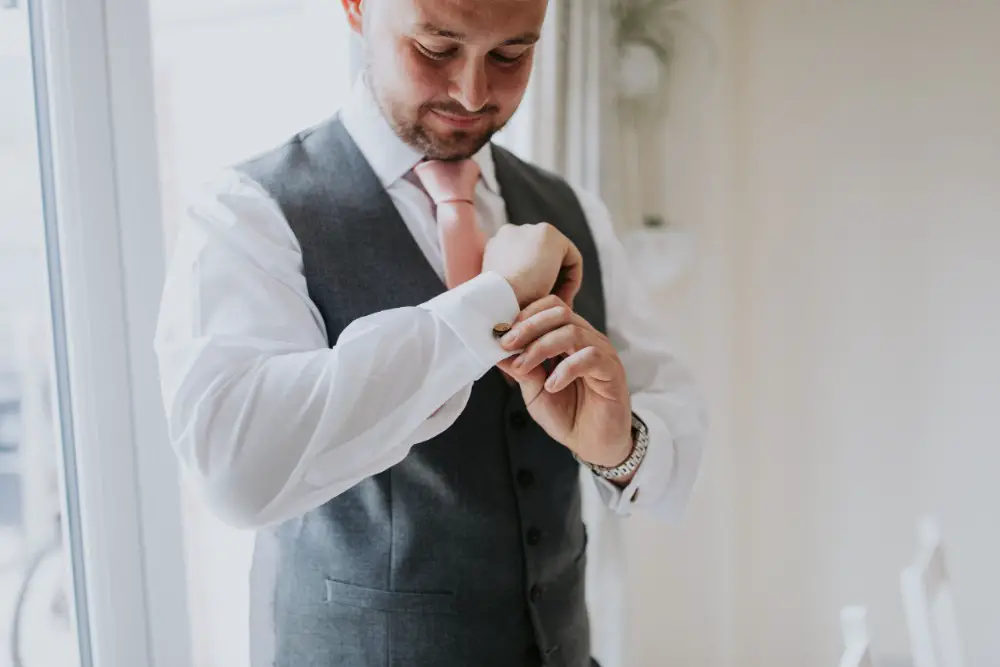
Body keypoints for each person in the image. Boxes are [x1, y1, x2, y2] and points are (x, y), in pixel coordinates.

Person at [154, 0, 707, 664]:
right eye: (437, 49)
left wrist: (618, 446)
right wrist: (488, 304)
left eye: (510, 54)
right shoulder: (250, 215)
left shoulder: (571, 208)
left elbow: (676, 425)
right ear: (357, 8)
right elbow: (236, 470)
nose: (473, 93)